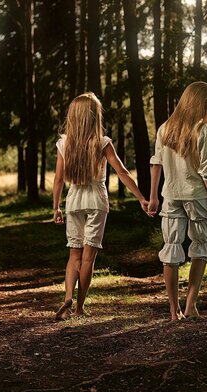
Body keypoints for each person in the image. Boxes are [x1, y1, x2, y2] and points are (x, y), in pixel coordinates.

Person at [53, 92, 148, 320]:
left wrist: (55, 207)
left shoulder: (64, 143)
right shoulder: (102, 143)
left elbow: (57, 179)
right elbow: (122, 172)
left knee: (73, 255)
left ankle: (68, 295)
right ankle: (78, 307)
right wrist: (141, 198)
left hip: (73, 201)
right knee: (88, 258)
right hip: (96, 200)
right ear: (95, 117)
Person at [147, 81, 207, 321]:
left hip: (170, 195)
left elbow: (156, 163)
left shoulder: (164, 128)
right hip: (196, 195)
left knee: (171, 249)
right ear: (202, 104)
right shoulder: (202, 130)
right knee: (200, 247)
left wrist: (153, 196)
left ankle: (172, 309)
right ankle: (190, 305)